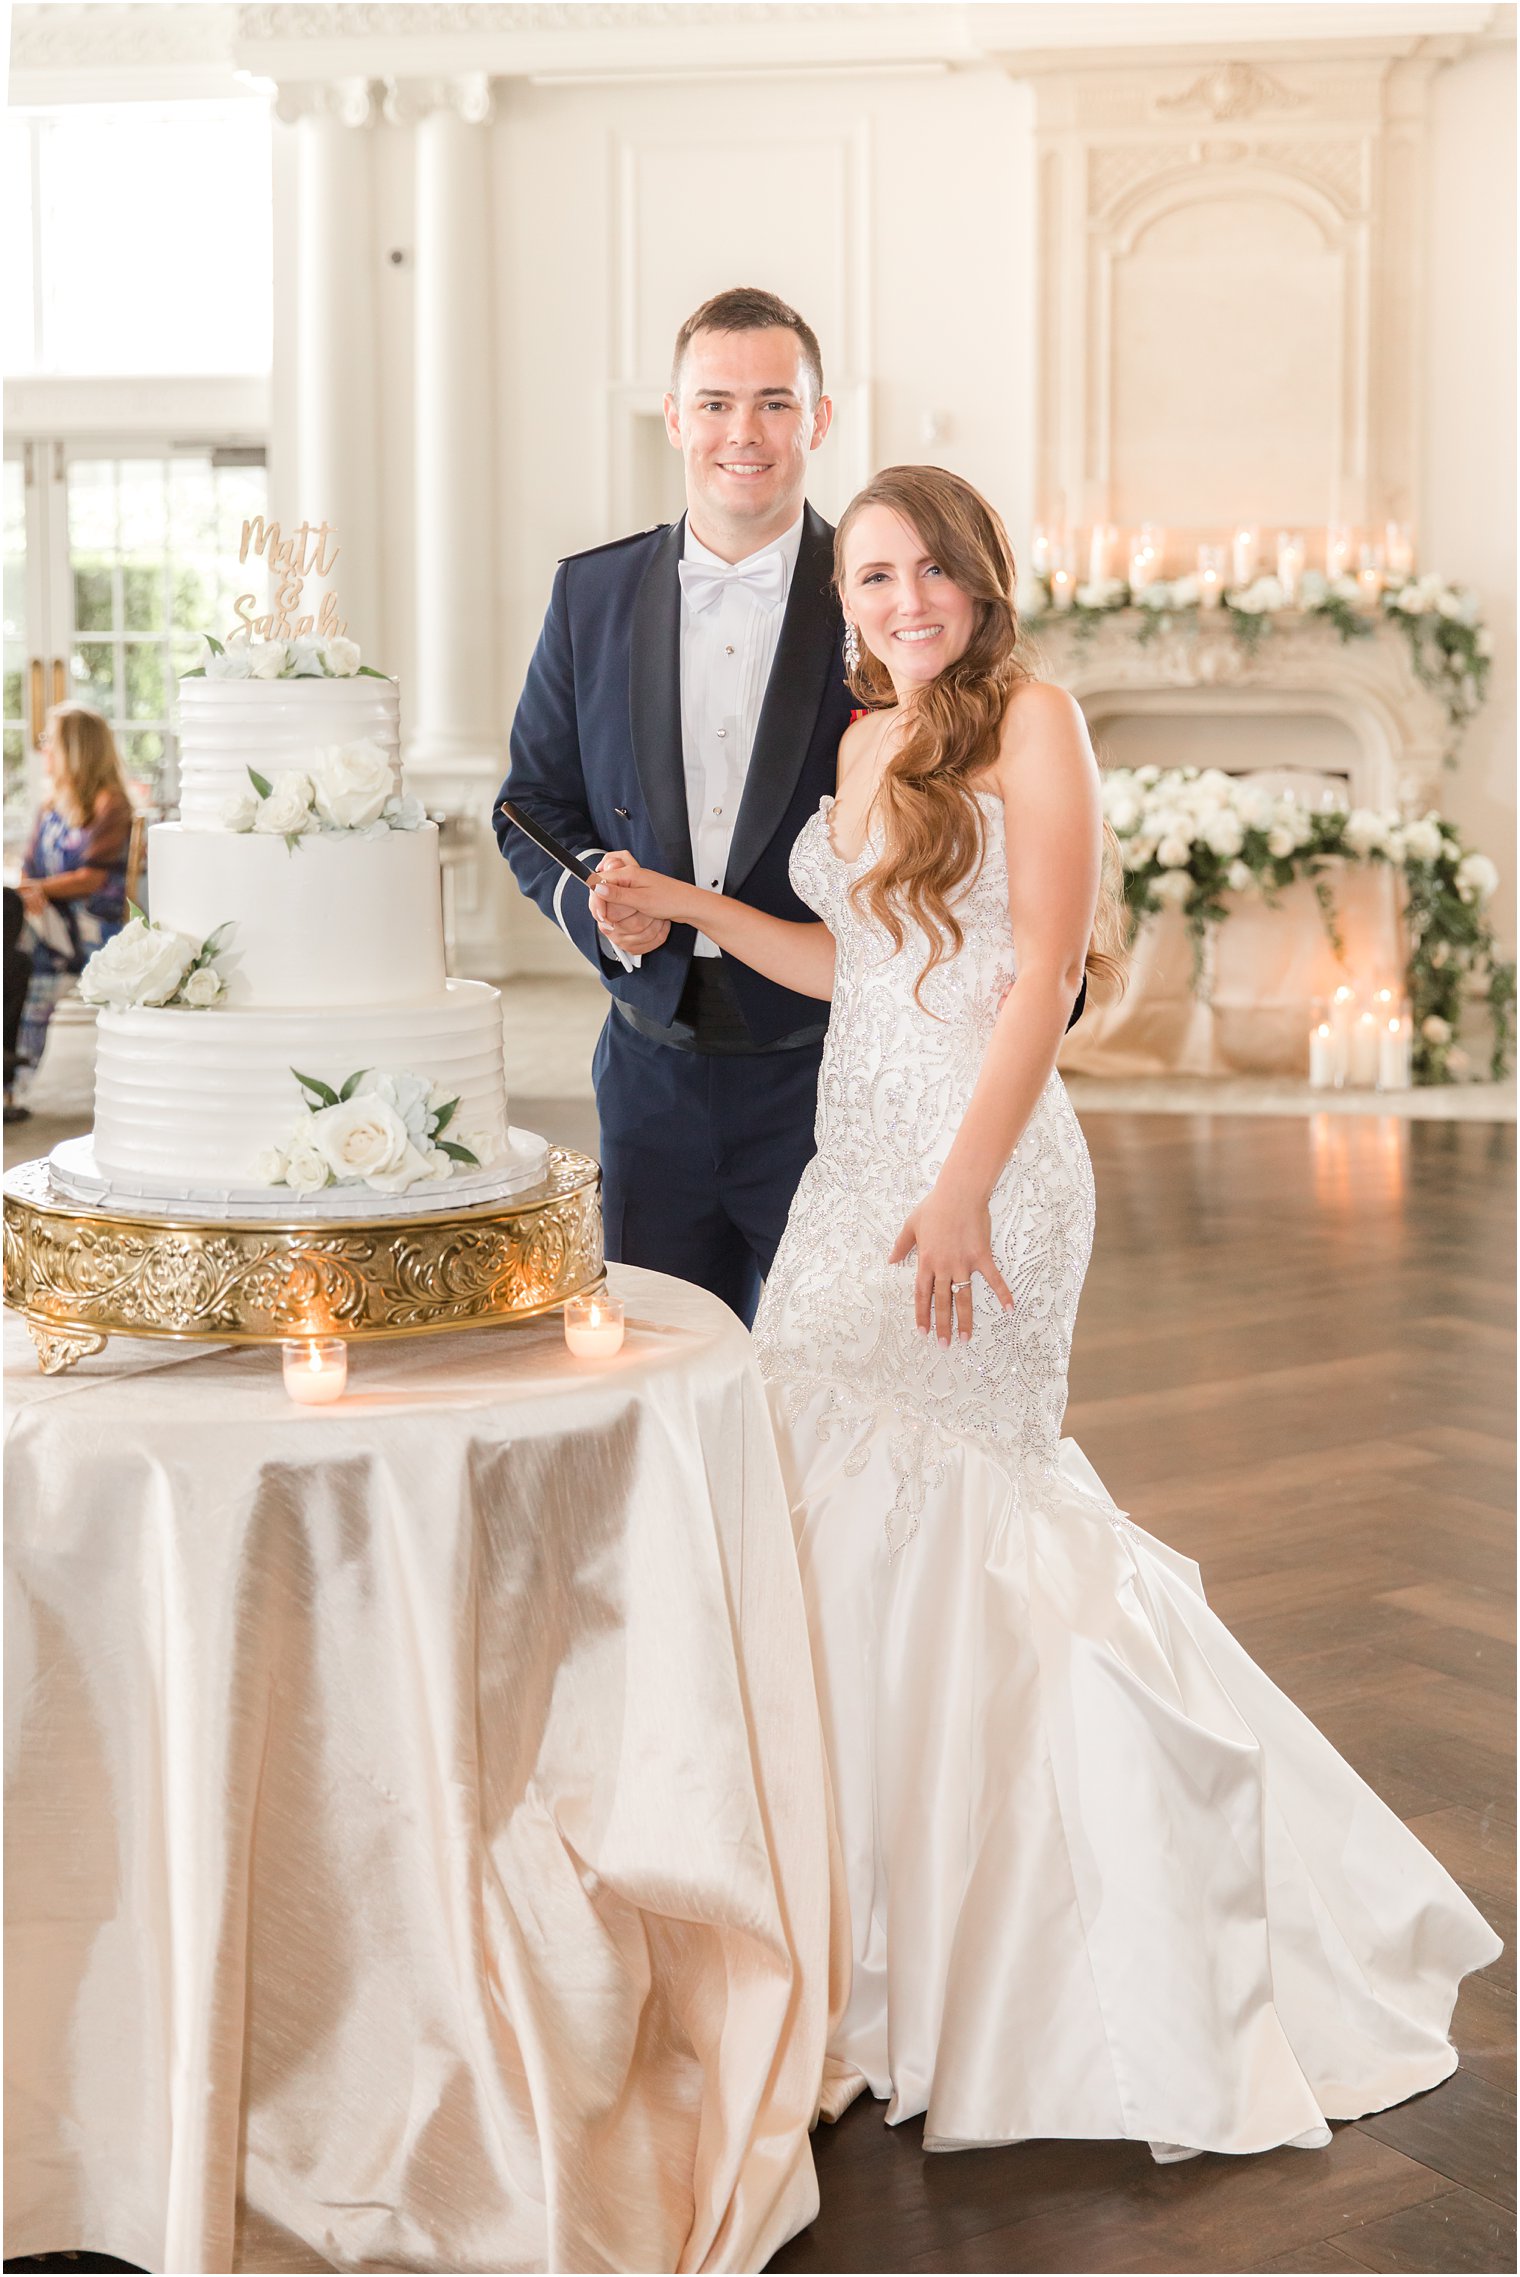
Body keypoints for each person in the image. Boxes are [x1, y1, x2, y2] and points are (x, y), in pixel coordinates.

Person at [589, 465, 1501, 2162]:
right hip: (854, 1172)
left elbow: (1043, 976)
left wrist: (961, 1189)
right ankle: (868, 1942)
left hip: (987, 1174)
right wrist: (707, 913)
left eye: (930, 568)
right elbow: (852, 964)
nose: (904, 597)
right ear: (842, 601)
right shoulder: (867, 745)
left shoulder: (1040, 724)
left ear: (980, 579)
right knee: (827, 1526)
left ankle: (1039, 1950)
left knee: (966, 1520)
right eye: (872, 576)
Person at [496, 286, 855, 1327]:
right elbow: (529, 806)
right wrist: (598, 905)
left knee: (829, 1379)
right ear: (673, 416)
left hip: (827, 1072)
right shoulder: (590, 596)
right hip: (647, 1068)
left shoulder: (881, 596)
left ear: (817, 420)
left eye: (774, 403)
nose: (742, 433)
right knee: (657, 1371)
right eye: (714, 403)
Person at [6, 703, 132, 1115]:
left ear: (77, 749)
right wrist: (32, 891)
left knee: (18, 947)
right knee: (15, 952)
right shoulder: (49, 808)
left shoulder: (110, 805)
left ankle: (9, 1082)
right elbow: (29, 871)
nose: (44, 750)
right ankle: (8, 1080)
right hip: (46, 920)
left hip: (90, 925)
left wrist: (35, 890)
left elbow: (92, 878)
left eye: (51, 742)